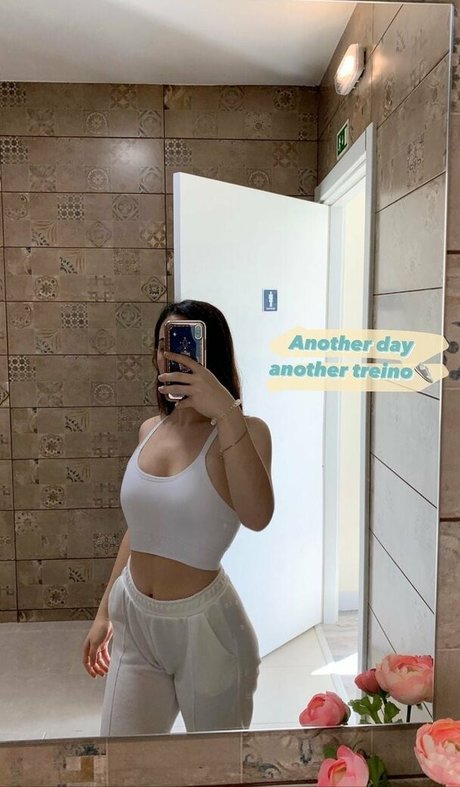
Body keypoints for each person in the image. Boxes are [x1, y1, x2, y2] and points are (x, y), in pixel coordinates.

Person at [82, 299, 274, 735]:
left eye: (185, 344)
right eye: (163, 343)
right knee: (124, 758)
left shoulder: (247, 432)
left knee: (215, 763)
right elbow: (140, 530)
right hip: (133, 616)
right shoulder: (150, 430)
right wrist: (104, 612)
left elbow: (258, 515)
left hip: (207, 629)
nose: (171, 354)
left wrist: (226, 411)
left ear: (211, 354)